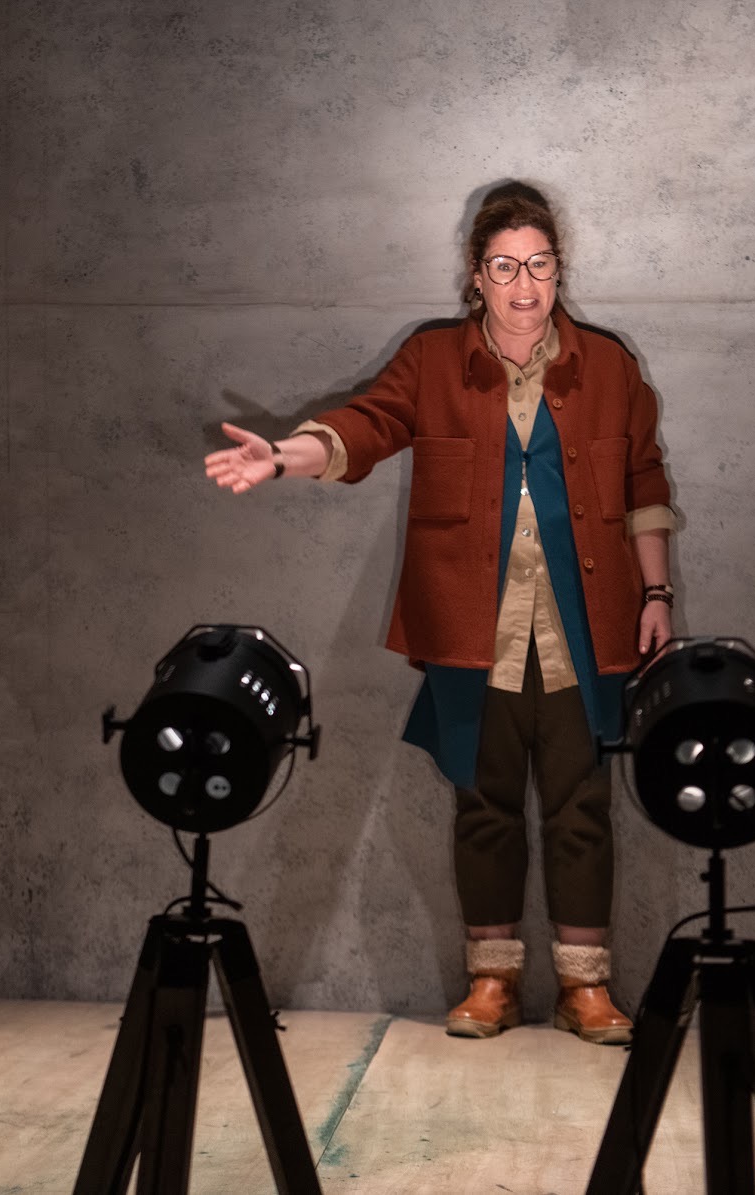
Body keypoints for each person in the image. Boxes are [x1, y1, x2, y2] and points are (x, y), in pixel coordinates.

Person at [203, 184, 677, 1044]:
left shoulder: (610, 367)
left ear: (559, 270)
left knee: (582, 805)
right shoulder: (431, 361)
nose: (525, 285)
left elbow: (644, 476)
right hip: (472, 631)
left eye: (539, 265)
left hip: (585, 630)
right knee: (482, 804)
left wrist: (656, 594)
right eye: (506, 267)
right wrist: (284, 456)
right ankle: (492, 979)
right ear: (476, 274)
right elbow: (365, 426)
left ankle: (587, 986)